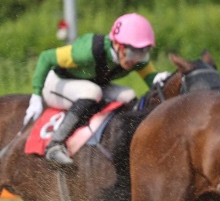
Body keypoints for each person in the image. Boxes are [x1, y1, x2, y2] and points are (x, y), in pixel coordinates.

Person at [26, 13, 159, 166]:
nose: (135, 60)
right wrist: (36, 95)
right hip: (56, 83)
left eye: (142, 53)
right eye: (131, 53)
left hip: (90, 84)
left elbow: (154, 82)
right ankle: (54, 145)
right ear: (117, 45)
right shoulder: (88, 50)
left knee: (129, 95)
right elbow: (46, 57)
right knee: (92, 92)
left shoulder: (134, 58)